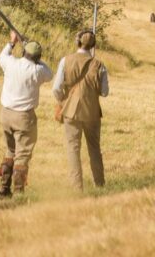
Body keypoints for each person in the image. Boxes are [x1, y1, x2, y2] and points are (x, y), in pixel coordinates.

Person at [0, 30, 52, 197]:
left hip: (5, 114)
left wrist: (12, 42)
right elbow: (49, 72)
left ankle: (3, 189)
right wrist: (36, 57)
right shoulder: (37, 71)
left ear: (23, 52)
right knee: (23, 155)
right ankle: (19, 192)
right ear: (37, 57)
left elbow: (2, 56)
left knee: (10, 151)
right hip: (24, 117)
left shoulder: (11, 63)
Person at [52, 29, 109, 191]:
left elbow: (56, 89)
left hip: (70, 111)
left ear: (77, 42)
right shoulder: (99, 65)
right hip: (92, 112)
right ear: (93, 46)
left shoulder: (65, 60)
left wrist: (63, 101)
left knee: (73, 148)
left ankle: (77, 188)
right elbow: (105, 92)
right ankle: (100, 185)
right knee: (94, 149)